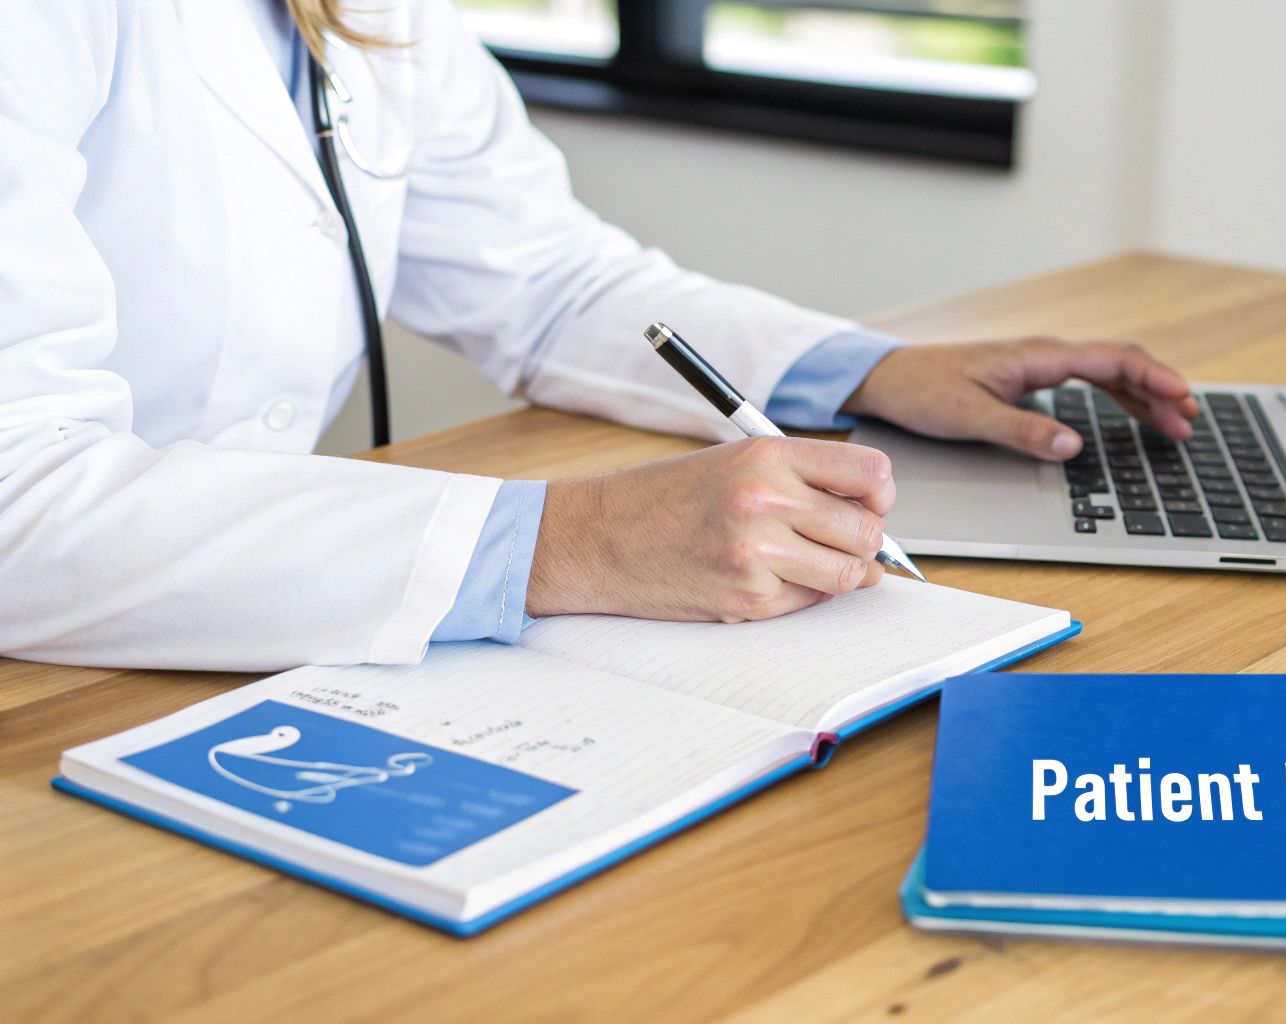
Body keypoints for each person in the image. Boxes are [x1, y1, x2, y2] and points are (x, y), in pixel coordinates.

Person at [0, 0, 1196, 672]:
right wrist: (572, 538)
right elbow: (16, 498)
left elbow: (546, 278)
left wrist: (867, 371)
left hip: (227, 648)